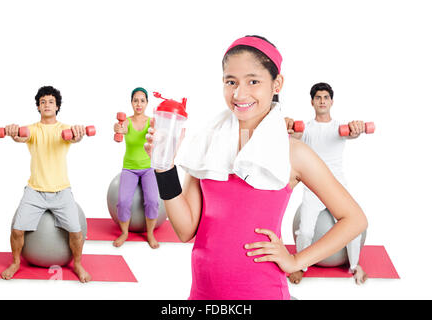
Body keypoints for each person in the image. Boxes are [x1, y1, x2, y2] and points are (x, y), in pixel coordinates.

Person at [145, 36, 368, 300]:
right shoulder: (207, 144)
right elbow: (185, 230)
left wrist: (295, 261)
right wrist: (164, 166)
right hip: (203, 294)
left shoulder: (293, 154)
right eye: (231, 82)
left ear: (277, 84)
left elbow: (354, 219)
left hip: (263, 292)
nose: (239, 94)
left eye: (253, 81)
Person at [1, 86, 91, 283]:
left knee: (76, 232)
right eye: (43, 102)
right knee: (17, 230)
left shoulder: (65, 129)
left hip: (62, 191)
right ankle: (16, 262)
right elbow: (20, 136)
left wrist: (78, 133)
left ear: (57, 106)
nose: (47, 105)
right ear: (38, 107)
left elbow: (76, 137)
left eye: (51, 101)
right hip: (35, 191)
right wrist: (12, 132)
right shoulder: (32, 129)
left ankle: (77, 263)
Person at [288, 82, 368, 285]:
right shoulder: (305, 128)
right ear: (312, 102)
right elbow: (293, 136)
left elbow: (353, 133)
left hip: (337, 185)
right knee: (305, 230)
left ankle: (354, 266)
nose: (322, 101)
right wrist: (287, 127)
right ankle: (299, 266)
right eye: (318, 98)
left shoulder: (339, 128)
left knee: (352, 227)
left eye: (325, 98)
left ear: (331, 101)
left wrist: (357, 128)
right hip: (313, 185)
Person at [113, 87, 160, 248]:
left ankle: (150, 233)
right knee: (123, 202)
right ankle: (124, 233)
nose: (138, 104)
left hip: (148, 168)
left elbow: (156, 135)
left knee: (153, 201)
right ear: (131, 103)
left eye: (142, 100)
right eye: (135, 100)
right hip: (129, 168)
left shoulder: (151, 121)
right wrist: (117, 128)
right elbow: (121, 128)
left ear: (146, 103)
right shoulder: (126, 121)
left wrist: (157, 130)